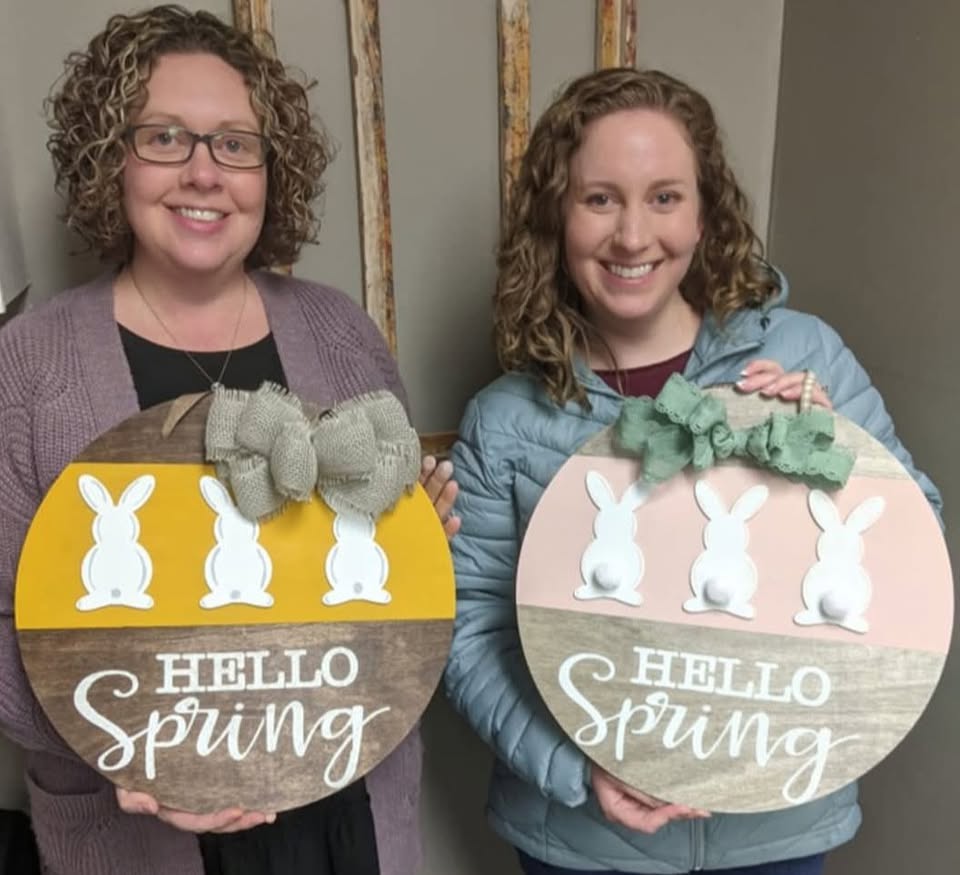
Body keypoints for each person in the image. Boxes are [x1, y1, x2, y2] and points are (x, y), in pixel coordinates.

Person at [444, 67, 942, 875]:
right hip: (583, 843)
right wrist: (577, 770)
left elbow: (915, 550)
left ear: (707, 214)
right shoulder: (506, 419)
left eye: (665, 197)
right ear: (555, 218)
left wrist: (836, 450)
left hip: (776, 823)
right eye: (599, 198)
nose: (633, 235)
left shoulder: (804, 356)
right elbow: (473, 633)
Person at [0, 5, 456, 874]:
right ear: (111, 157)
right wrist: (117, 750)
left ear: (268, 171)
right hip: (140, 828)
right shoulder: (27, 368)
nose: (204, 172)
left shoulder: (340, 336)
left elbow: (384, 572)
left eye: (235, 144)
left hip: (339, 816)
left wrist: (421, 539)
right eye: (165, 137)